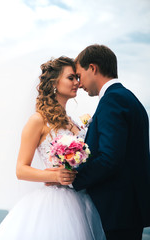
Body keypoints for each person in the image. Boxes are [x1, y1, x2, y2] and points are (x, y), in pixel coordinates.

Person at [0, 56, 105, 240]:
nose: (77, 82)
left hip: (81, 199)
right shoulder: (38, 120)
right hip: (55, 204)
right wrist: (54, 175)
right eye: (71, 78)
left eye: (77, 77)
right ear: (54, 83)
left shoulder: (73, 122)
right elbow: (21, 169)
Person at [72, 44, 150, 240]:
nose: (79, 84)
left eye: (79, 75)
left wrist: (74, 181)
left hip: (117, 210)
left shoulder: (113, 100)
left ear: (93, 68)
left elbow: (109, 158)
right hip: (128, 209)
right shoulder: (128, 98)